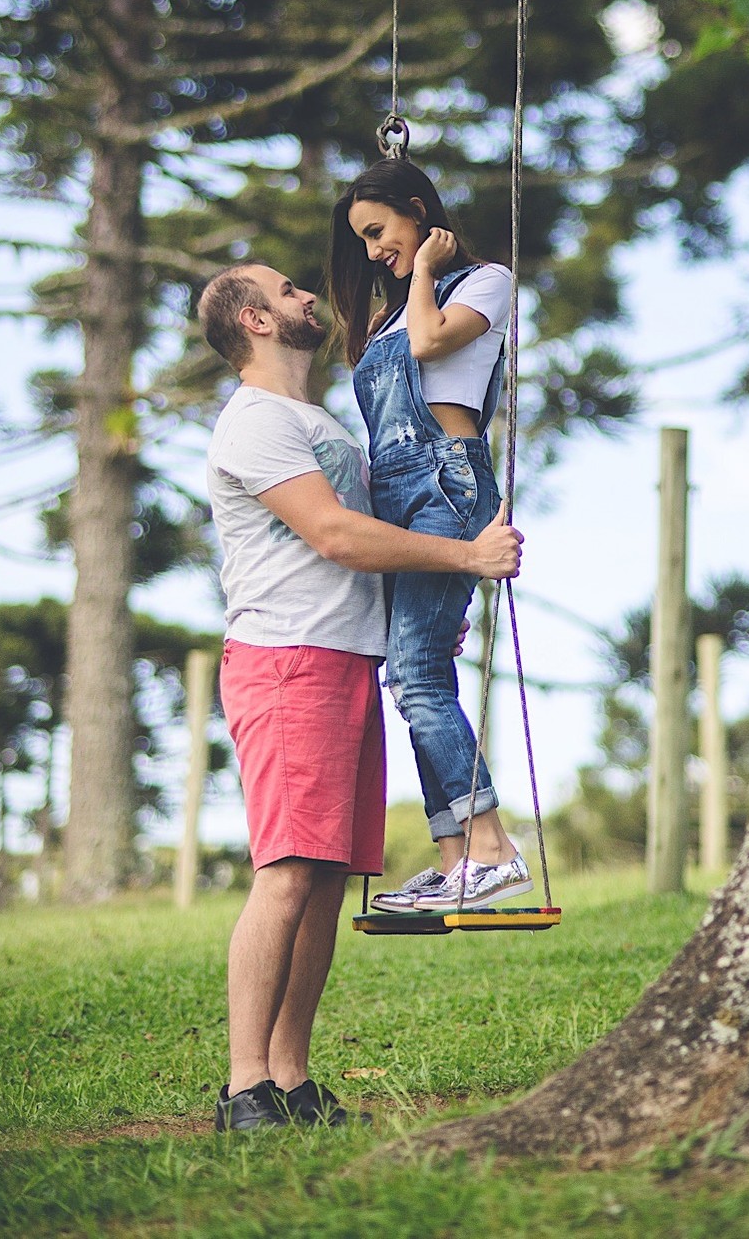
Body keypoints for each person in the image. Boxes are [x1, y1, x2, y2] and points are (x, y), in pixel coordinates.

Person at [197, 261, 522, 1132]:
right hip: (287, 659)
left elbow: (375, 538)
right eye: (286, 291)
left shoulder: (312, 418)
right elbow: (337, 535)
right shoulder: (256, 421)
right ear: (254, 321)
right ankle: (243, 1088)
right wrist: (467, 557)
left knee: (327, 881)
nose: (307, 295)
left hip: (346, 659)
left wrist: (431, 607)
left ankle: (291, 1078)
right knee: (286, 874)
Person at [327, 158, 530, 915]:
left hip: (449, 479)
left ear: (419, 211)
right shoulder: (382, 321)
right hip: (395, 495)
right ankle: (455, 860)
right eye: (363, 240)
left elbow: (429, 344)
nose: (374, 250)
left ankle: (494, 851)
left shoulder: (483, 282)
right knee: (412, 674)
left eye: (380, 230)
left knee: (415, 673)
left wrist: (425, 272)